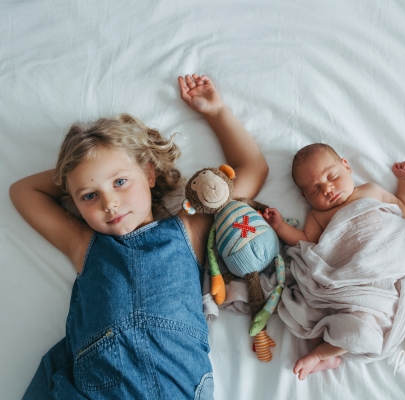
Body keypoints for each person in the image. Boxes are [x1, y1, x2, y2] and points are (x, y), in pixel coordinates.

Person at [10, 74, 268, 399]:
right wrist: (78, 172)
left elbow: (252, 167)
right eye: (89, 195)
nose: (109, 203)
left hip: (176, 384)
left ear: (148, 173)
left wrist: (216, 113)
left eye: (119, 182)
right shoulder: (83, 244)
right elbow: (23, 192)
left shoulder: (189, 228)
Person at [262, 143, 405, 380]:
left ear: (346, 166)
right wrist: (280, 226)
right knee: (307, 309)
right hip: (344, 283)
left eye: (332, 176)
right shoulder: (318, 215)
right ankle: (326, 351)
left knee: (365, 326)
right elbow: (305, 241)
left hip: (381, 273)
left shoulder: (371, 191)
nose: (327, 189)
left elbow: (404, 207)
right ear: (305, 197)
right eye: (315, 190)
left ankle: (321, 354)